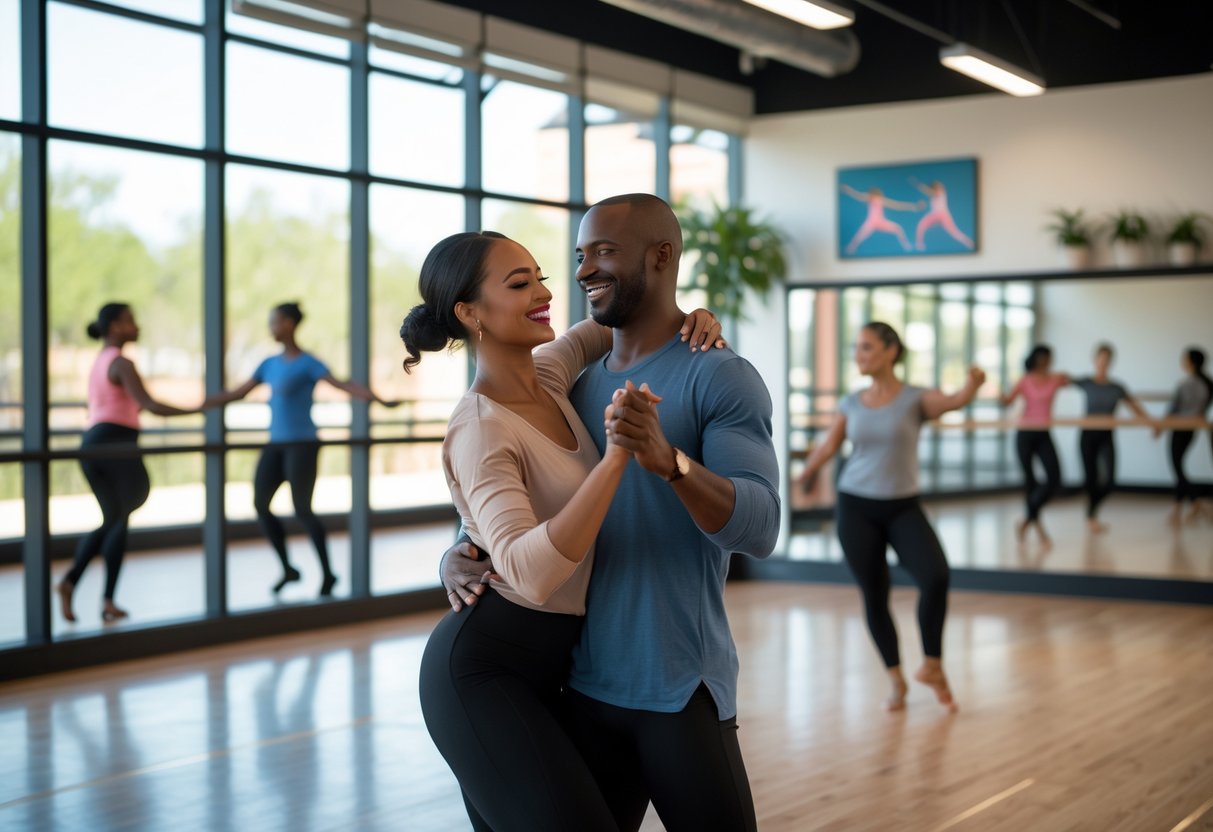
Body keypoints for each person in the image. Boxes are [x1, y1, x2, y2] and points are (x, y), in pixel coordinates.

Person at [440, 194, 781, 832]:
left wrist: (669, 461)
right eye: (578, 256)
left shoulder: (722, 377)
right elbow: (505, 485)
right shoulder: (568, 381)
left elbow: (760, 528)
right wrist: (458, 549)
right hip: (581, 688)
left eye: (603, 253)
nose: (580, 272)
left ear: (661, 256)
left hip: (676, 683)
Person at [794, 322, 983, 712]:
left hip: (902, 505)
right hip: (856, 506)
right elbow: (830, 444)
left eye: (866, 347)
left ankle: (932, 664)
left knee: (935, 576)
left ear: (890, 351)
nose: (858, 355)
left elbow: (953, 401)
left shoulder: (915, 398)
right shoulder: (851, 402)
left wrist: (973, 386)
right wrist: (807, 473)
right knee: (875, 595)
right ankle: (896, 681)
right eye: (857, 348)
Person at [205, 302, 395, 597]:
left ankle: (328, 573)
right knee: (260, 504)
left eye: (276, 322)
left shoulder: (308, 363)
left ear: (290, 324)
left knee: (302, 509)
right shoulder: (268, 364)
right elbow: (237, 393)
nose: (272, 327)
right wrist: (199, 406)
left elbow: (342, 385)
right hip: (276, 444)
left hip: (303, 444)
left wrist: (378, 400)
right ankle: (288, 569)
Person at [55, 303, 205, 623]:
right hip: (115, 445)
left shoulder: (101, 361)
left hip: (95, 444)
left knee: (116, 520)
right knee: (117, 519)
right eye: (129, 321)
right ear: (114, 327)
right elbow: (149, 404)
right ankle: (77, 584)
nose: (137, 326)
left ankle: (100, 596)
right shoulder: (121, 362)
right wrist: (200, 409)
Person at [1071, 343, 1153, 532]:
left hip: (1106, 436)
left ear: (1110, 362)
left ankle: (1091, 513)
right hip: (1087, 436)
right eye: (1100, 358)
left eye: (1107, 360)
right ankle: (1091, 517)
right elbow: (1061, 381)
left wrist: (1152, 424)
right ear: (1094, 360)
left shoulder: (1117, 387)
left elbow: (1135, 407)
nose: (1103, 362)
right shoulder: (1086, 382)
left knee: (1109, 482)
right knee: (1090, 479)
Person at [1001, 345, 1069, 548]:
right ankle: (1038, 527)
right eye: (1043, 358)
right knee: (1030, 482)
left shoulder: (1056, 379)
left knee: (1054, 477)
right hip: (1025, 434)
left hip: (1044, 433)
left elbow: (1080, 383)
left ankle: (1026, 520)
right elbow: (1007, 400)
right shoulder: (1025, 380)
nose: (1046, 362)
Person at [1153, 347, 1213, 524]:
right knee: (1179, 468)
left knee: (1178, 469)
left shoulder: (1185, 384)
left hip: (1179, 428)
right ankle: (1179, 510)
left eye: (1184, 358)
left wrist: (1160, 427)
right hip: (1192, 428)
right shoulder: (1207, 384)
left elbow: (1173, 409)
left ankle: (1193, 503)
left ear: (1191, 362)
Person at [840, 184, 923, 254]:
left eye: (875, 194)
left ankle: (906, 246)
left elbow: (897, 205)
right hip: (871, 222)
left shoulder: (880, 200)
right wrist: (848, 190)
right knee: (859, 236)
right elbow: (858, 195)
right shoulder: (869, 198)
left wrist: (914, 207)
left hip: (881, 222)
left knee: (898, 228)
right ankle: (850, 248)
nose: (874, 196)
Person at [910, 179, 975, 251]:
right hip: (935, 215)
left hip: (943, 215)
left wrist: (919, 185)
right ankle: (919, 244)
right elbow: (930, 193)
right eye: (938, 186)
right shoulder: (934, 194)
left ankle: (970, 243)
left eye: (940, 186)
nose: (940, 187)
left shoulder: (940, 192)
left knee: (955, 233)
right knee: (921, 225)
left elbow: (929, 192)